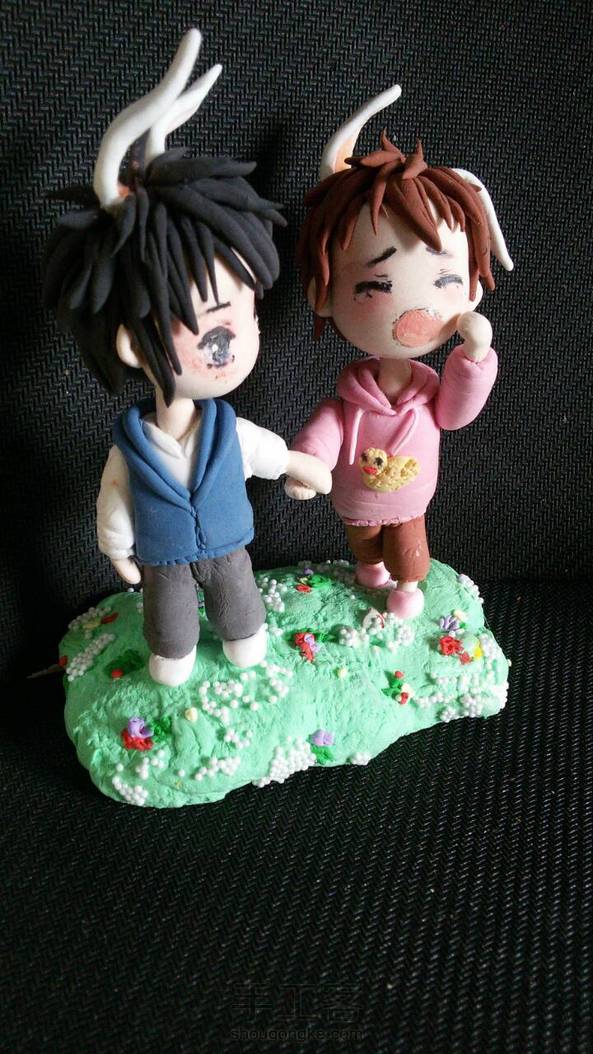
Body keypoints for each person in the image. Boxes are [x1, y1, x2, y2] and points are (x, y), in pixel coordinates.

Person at [44, 29, 330, 686]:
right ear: (130, 345)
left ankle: (243, 636)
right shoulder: (131, 448)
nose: (239, 346)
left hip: (229, 548)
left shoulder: (229, 429)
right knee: (169, 624)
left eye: (246, 317)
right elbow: (114, 500)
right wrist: (118, 549)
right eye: (215, 336)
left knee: (240, 607)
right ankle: (172, 654)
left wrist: (299, 465)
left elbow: (265, 453)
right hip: (164, 558)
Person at [286, 86, 513, 619]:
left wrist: (475, 356)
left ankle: (408, 586)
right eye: (376, 285)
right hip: (355, 498)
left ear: (471, 287)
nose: (418, 311)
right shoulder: (348, 401)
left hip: (412, 498)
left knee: (409, 547)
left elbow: (454, 415)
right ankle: (369, 570)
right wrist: (309, 463)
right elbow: (326, 432)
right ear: (324, 295)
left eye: (447, 280)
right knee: (364, 543)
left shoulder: (429, 392)